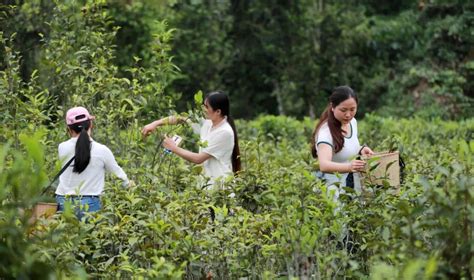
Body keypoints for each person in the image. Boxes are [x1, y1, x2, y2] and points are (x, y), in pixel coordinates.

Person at [141, 91, 241, 187]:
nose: (203, 109)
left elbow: (198, 158)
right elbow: (180, 119)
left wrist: (173, 148)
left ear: (218, 111)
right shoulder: (208, 122)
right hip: (206, 185)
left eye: (206, 107)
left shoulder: (224, 132)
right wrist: (155, 123)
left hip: (220, 188)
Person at [55, 106, 129, 219]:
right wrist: (130, 186)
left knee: (66, 236)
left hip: (63, 201)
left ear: (69, 129)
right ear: (91, 125)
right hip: (90, 204)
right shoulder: (102, 150)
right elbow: (120, 176)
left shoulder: (62, 147)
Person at [310, 86, 374, 200]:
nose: (348, 115)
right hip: (332, 189)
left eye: (352, 109)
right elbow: (324, 165)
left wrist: (360, 149)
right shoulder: (326, 133)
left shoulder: (352, 122)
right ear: (333, 107)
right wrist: (349, 166)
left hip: (352, 186)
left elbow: (345, 146)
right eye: (343, 110)